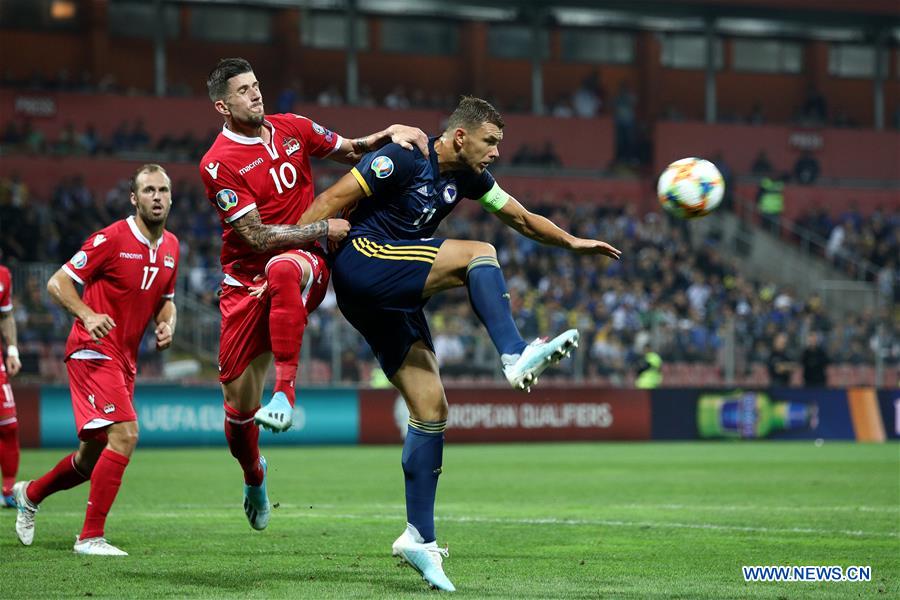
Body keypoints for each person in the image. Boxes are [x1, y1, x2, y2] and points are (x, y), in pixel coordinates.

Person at [296, 96, 621, 591]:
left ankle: (418, 540)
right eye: (491, 142)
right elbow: (328, 203)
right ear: (462, 136)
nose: (495, 153)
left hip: (389, 296)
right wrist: (296, 267)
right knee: (479, 253)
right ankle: (514, 353)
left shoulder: (469, 178)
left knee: (431, 408)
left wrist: (573, 243)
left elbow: (521, 217)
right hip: (362, 263)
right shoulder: (404, 157)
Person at [199, 57, 428, 531]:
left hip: (304, 263)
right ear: (222, 105)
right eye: (243, 90)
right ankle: (254, 474)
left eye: (257, 85)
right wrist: (324, 224)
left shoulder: (293, 127)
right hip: (244, 283)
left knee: (285, 267)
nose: (256, 94)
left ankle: (285, 395)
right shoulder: (218, 163)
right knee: (239, 416)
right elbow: (256, 237)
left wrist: (386, 135)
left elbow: (348, 149)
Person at [12, 164, 179, 555]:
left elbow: (166, 303)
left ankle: (29, 494)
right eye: (149, 190)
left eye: (164, 190)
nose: (157, 197)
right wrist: (87, 314)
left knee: (89, 460)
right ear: (134, 199)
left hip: (124, 358)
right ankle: (89, 537)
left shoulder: (172, 246)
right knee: (126, 435)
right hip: (91, 350)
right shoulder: (111, 238)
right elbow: (58, 283)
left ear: (171, 197)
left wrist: (167, 325)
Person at [0, 257, 22, 507]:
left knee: (9, 426)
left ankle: (8, 490)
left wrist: (12, 350)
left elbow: (5, 315)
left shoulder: (4, 276)